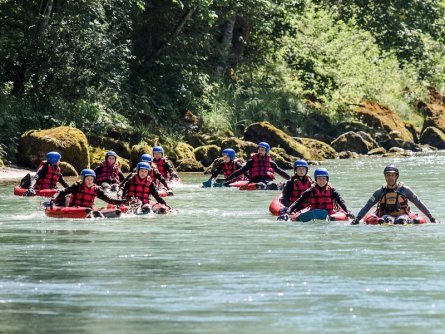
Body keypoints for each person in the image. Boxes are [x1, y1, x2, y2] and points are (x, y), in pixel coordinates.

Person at [351, 165, 438, 225]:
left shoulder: (405, 190)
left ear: (396, 176)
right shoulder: (380, 192)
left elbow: (418, 203)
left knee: (401, 220)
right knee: (388, 220)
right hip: (386, 216)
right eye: (388, 175)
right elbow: (367, 206)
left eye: (392, 175)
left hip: (402, 215)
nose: (390, 178)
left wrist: (431, 217)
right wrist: (357, 219)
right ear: (385, 177)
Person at [279, 168, 354, 220]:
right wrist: (288, 212)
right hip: (313, 211)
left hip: (330, 213)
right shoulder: (310, 190)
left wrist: (347, 211)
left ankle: (328, 217)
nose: (321, 181)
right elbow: (298, 202)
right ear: (316, 180)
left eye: (324, 179)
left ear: (327, 180)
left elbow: (341, 201)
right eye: (319, 179)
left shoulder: (332, 191)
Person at [223, 142, 290, 189]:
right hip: (256, 181)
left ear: (266, 152)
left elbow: (280, 171)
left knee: (273, 185)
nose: (260, 151)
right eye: (259, 149)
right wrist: (228, 179)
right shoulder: (252, 161)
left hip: (268, 181)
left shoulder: (270, 162)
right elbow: (241, 171)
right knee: (261, 185)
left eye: (262, 150)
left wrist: (291, 179)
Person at [52, 169, 126, 209]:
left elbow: (108, 199)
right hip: (74, 208)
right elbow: (63, 192)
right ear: (83, 179)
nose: (90, 181)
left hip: (87, 210)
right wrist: (52, 201)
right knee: (64, 198)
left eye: (91, 179)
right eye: (87, 179)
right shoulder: (77, 186)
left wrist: (122, 202)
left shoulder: (96, 189)